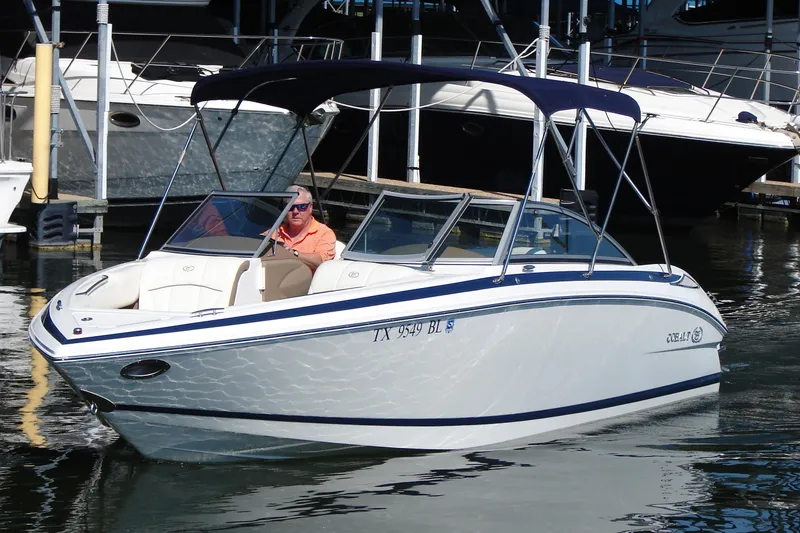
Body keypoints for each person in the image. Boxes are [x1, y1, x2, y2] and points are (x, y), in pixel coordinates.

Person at [270, 185, 336, 271]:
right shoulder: (274, 232)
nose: (295, 211)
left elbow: (321, 261)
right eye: (290, 207)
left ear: (310, 207)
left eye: (301, 207)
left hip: (307, 283)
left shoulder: (324, 233)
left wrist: (292, 253)